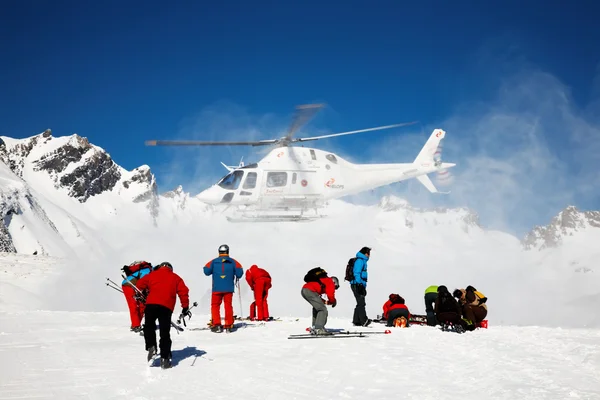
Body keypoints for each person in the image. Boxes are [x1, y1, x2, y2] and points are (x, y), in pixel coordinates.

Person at [135, 262, 189, 369]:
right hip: (166, 307)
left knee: (149, 326)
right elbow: (183, 291)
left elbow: (139, 285)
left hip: (151, 304)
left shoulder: (152, 275)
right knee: (165, 333)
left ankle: (151, 346)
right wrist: (185, 307)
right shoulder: (176, 277)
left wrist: (142, 294)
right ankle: (165, 359)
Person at [203, 244, 244, 333]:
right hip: (229, 288)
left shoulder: (213, 262)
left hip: (216, 288)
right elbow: (239, 273)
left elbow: (206, 271)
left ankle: (217, 325)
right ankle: (229, 325)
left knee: (215, 306)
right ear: (227, 251)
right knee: (228, 305)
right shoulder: (233, 262)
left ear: (219, 252)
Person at [301, 267, 338, 335]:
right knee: (323, 310)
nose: (335, 289)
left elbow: (318, 299)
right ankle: (319, 328)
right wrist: (333, 301)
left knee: (317, 308)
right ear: (335, 282)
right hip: (310, 291)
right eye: (335, 287)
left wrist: (326, 302)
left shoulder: (322, 280)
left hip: (305, 290)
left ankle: (315, 326)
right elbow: (330, 295)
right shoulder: (330, 281)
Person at [121, 260, 153, 332]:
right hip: (127, 285)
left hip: (136, 286)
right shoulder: (148, 271)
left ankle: (136, 323)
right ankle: (135, 325)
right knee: (133, 305)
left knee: (142, 305)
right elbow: (143, 282)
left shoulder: (150, 271)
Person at [349, 246, 372, 327]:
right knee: (361, 302)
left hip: (359, 284)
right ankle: (364, 320)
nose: (369, 255)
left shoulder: (362, 261)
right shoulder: (360, 261)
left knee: (360, 302)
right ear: (365, 253)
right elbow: (356, 273)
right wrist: (359, 284)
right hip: (357, 284)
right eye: (368, 253)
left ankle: (356, 320)